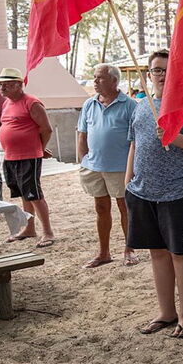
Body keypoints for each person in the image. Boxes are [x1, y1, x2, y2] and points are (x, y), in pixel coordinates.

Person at [128, 50, 183, 339]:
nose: (162, 75)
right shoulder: (142, 105)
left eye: (167, 69)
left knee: (181, 253)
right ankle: (166, 312)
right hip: (143, 191)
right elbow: (134, 144)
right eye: (156, 70)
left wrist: (174, 137)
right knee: (158, 252)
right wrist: (129, 182)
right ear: (149, 74)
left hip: (180, 190)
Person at [77, 64, 138, 268]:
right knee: (101, 208)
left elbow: (137, 140)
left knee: (125, 208)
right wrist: (83, 160)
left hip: (121, 167)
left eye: (100, 77)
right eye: (94, 77)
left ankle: (129, 249)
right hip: (94, 167)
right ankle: (104, 253)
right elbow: (82, 133)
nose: (95, 81)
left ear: (114, 81)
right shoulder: (89, 104)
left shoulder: (130, 105)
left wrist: (133, 168)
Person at [0, 67, 56, 247]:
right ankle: (29, 228)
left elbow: (46, 129)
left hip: (29, 156)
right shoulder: (7, 103)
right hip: (11, 156)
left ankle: (48, 232)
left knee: (34, 194)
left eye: (7, 84)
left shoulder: (31, 102)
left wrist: (40, 148)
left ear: (19, 85)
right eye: (1, 84)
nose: (2, 88)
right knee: (24, 193)